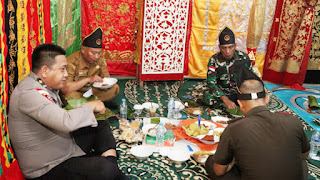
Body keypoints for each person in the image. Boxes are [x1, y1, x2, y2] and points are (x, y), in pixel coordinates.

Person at [8, 44, 127, 179]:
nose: (66, 74)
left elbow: (58, 115)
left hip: (64, 146)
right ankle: (110, 168)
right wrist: (90, 107)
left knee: (99, 124)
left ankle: (110, 167)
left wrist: (87, 113)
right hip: (48, 166)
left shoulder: (42, 85)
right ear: (45, 71)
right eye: (62, 69)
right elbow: (65, 122)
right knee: (104, 168)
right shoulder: (28, 94)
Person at [205, 66, 310, 180]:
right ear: (267, 100)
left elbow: (219, 171)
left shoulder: (233, 128)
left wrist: (234, 159)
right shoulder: (293, 121)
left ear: (240, 104)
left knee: (212, 163)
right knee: (301, 163)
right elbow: (304, 155)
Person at [61, 27, 119, 108]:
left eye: (99, 53)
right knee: (69, 97)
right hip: (76, 92)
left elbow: (106, 78)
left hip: (92, 90)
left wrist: (105, 84)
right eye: (93, 53)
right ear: (83, 50)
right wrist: (88, 79)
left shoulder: (100, 59)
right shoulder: (71, 62)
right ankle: (96, 103)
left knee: (114, 88)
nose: (96, 56)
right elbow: (65, 89)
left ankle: (92, 103)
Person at [204, 27, 253, 109]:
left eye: (230, 47)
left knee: (258, 96)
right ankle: (230, 104)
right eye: (224, 48)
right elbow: (211, 83)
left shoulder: (243, 58)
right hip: (222, 92)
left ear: (235, 46)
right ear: (219, 47)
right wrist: (225, 99)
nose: (227, 52)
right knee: (208, 98)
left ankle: (234, 103)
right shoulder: (214, 60)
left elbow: (251, 78)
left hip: (240, 92)